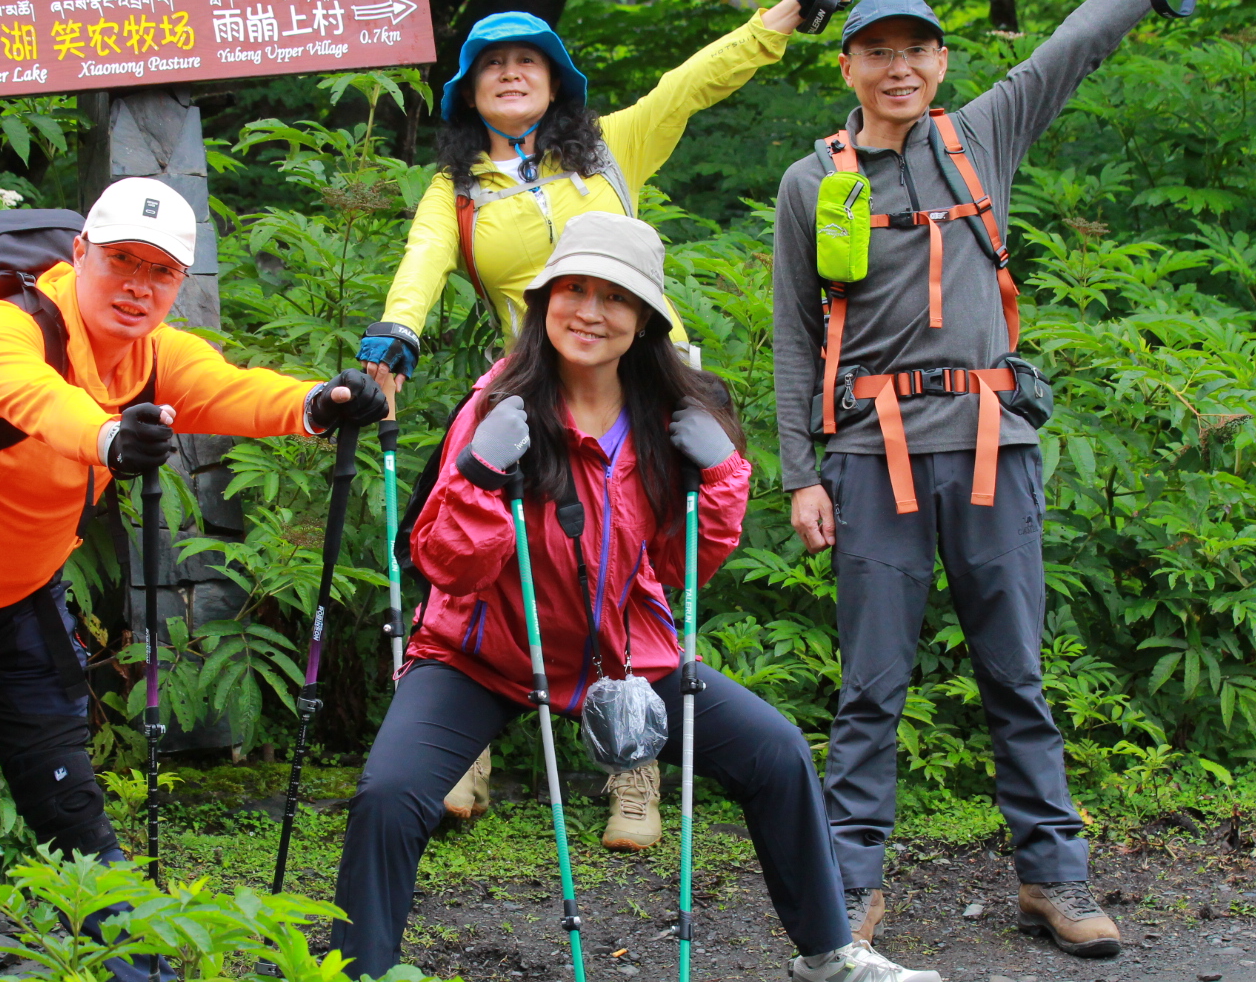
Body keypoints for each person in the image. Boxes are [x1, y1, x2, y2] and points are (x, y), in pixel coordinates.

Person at [771, 0, 1252, 957]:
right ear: (847, 66)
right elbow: (795, 337)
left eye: (917, 51)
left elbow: (1078, 40)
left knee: (1016, 675)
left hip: (994, 446)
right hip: (870, 459)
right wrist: (801, 473)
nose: (899, 68)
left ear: (941, 63)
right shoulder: (812, 182)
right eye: (878, 52)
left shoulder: (983, 134)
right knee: (870, 687)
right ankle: (850, 886)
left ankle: (1054, 878)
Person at [332, 212, 939, 982]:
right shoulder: (497, 404)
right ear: (543, 300)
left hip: (622, 650)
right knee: (389, 795)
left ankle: (829, 954)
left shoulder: (665, 414)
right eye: (573, 290)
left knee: (777, 752)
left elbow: (681, 566)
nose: (590, 312)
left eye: (615, 297)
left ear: (646, 318)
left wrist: (720, 477)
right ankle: (357, 971)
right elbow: (448, 567)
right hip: (484, 652)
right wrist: (482, 478)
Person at [357, 0, 855, 847]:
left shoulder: (609, 150)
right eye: (491, 64)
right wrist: (396, 334)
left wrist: (786, 11)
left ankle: (636, 773)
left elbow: (691, 83)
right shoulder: (456, 190)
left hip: (646, 395)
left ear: (557, 84)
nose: (511, 73)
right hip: (535, 397)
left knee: (636, 578)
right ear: (469, 93)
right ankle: (461, 736)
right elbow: (422, 261)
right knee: (465, 532)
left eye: (529, 61)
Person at [0, 177, 388, 959]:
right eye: (121, 260)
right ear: (79, 253)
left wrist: (319, 404)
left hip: (20, 599)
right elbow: (35, 400)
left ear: (179, 283)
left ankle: (139, 969)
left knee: (72, 812)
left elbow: (232, 391)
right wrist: (107, 439)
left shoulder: (155, 356)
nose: (138, 285)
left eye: (161, 271)